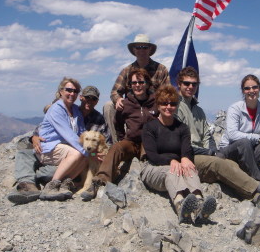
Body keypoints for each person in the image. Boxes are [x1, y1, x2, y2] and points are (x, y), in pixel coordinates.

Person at [175, 67, 260, 213]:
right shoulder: (175, 107)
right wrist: (208, 152)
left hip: (208, 153)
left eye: (194, 84)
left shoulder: (198, 110)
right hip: (190, 155)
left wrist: (211, 149)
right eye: (186, 83)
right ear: (179, 84)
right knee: (222, 164)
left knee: (226, 163)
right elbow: (179, 141)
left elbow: (207, 135)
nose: (190, 87)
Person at [7, 85, 111, 204]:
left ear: (97, 101)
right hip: (58, 149)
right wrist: (34, 137)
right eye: (87, 98)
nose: (90, 101)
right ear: (81, 98)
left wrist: (92, 153)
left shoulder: (99, 119)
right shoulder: (70, 111)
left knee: (50, 171)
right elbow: (45, 128)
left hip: (77, 158)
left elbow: (106, 143)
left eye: (93, 99)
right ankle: (28, 184)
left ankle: (44, 180)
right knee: (24, 153)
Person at [141, 85, 216, 224]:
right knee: (172, 171)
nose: (168, 106)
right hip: (153, 168)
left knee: (189, 168)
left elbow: (186, 151)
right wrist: (172, 160)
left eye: (172, 103)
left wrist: (185, 159)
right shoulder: (150, 127)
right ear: (158, 105)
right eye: (164, 103)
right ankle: (180, 205)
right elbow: (152, 155)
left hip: (177, 166)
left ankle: (199, 203)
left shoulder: (182, 128)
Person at [81, 68, 158, 201]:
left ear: (147, 84)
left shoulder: (155, 103)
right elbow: (117, 123)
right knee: (116, 147)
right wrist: (122, 139)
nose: (137, 85)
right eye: (134, 83)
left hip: (149, 142)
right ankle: (99, 181)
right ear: (130, 86)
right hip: (131, 142)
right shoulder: (126, 104)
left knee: (148, 157)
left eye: (141, 82)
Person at [103, 34, 170, 143]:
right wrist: (118, 99)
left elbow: (167, 93)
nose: (141, 50)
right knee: (108, 106)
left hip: (152, 111)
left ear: (150, 50)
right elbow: (115, 91)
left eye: (144, 47)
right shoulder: (127, 70)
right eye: (138, 47)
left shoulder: (161, 69)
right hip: (132, 109)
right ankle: (118, 143)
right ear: (134, 50)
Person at [35, 77, 89, 201]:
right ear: (61, 91)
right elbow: (69, 135)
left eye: (75, 91)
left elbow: (82, 133)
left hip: (64, 147)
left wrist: (92, 150)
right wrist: (87, 151)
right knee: (77, 153)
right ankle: (51, 186)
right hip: (49, 148)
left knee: (86, 157)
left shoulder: (75, 110)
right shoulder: (56, 109)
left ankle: (64, 184)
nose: (72, 93)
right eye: (69, 90)